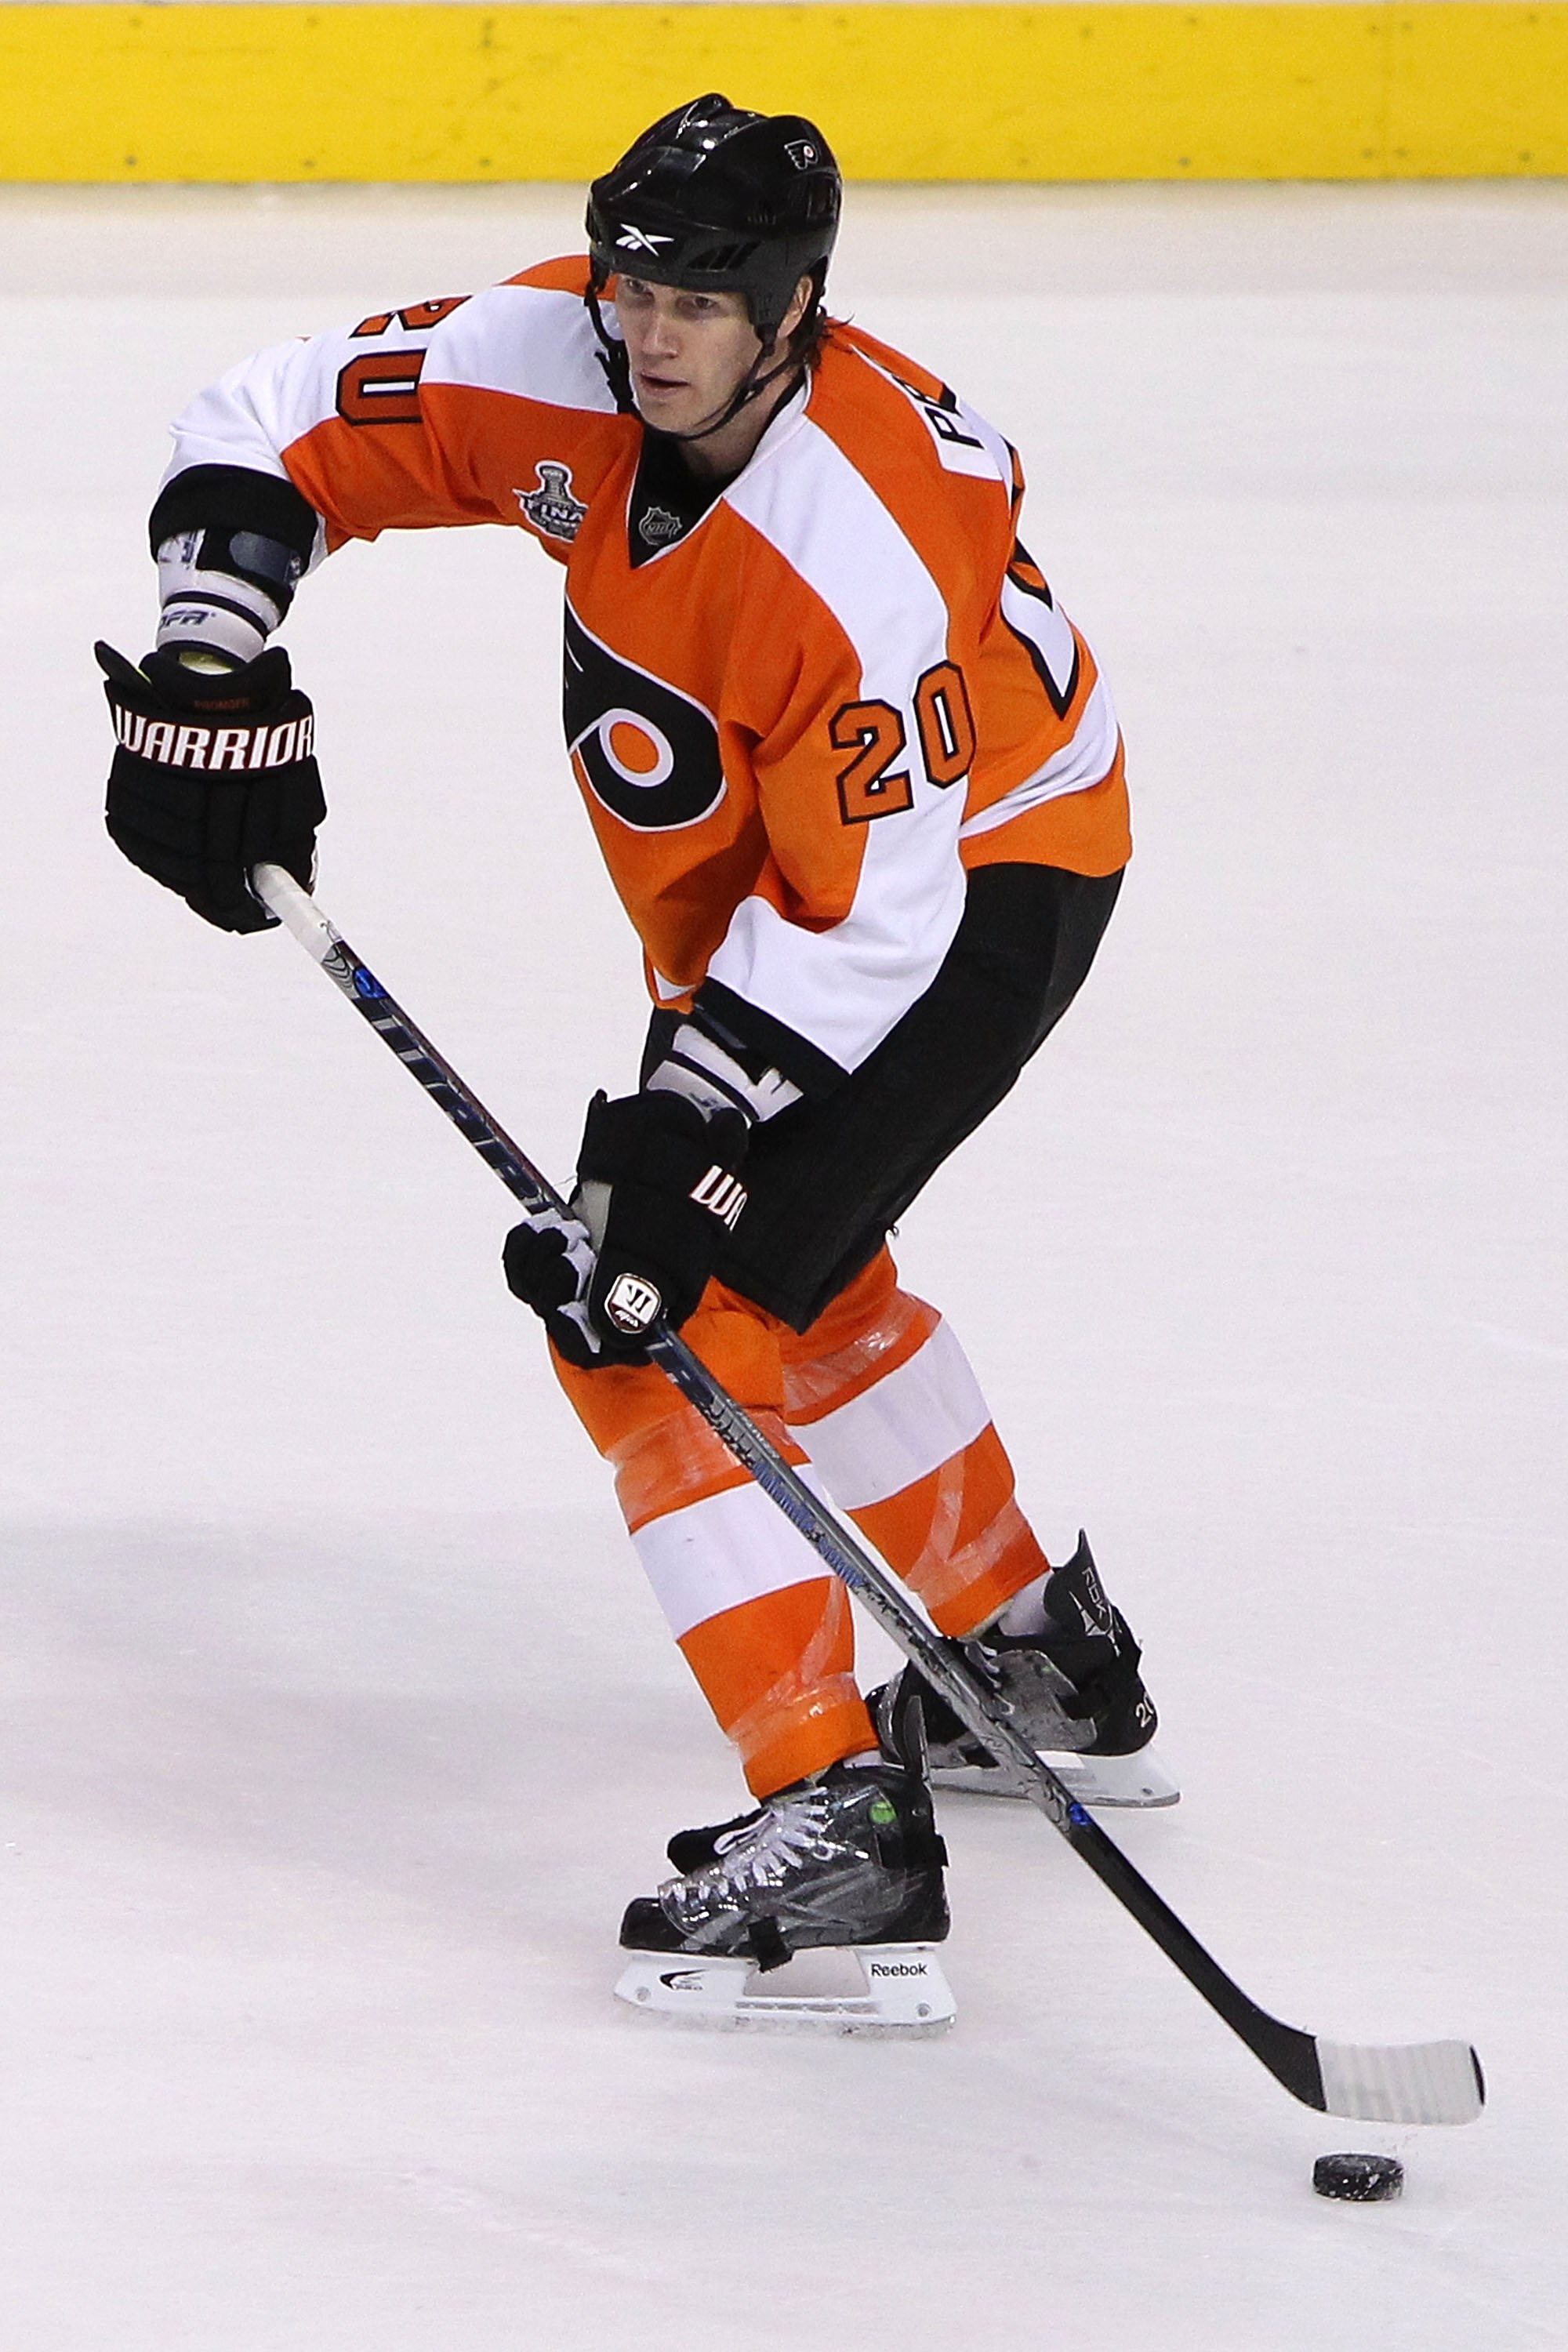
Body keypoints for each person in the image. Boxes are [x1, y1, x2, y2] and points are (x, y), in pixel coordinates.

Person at [97, 94, 1173, 2030]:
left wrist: (682, 1141)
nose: (654, 329)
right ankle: (1035, 1647)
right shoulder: (566, 355)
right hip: (812, 885)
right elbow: (269, 415)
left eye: (709, 295)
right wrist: (210, 654)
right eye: (636, 282)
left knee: (638, 1307)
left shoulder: (849, 557)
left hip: (971, 884)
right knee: (793, 1271)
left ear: (802, 305)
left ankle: (833, 1815)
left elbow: (881, 926)